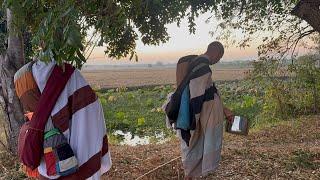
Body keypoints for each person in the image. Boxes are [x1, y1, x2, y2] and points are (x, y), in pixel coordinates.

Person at [14, 60, 112, 180]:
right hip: (72, 159)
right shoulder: (69, 73)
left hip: (45, 160)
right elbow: (91, 109)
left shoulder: (21, 77)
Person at [164, 41, 234, 179]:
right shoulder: (203, 67)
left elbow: (204, 91)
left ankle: (190, 175)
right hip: (195, 116)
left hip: (191, 114)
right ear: (216, 53)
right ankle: (190, 176)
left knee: (191, 149)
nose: (217, 61)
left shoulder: (190, 61)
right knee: (193, 148)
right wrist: (219, 111)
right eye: (219, 58)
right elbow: (199, 96)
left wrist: (223, 109)